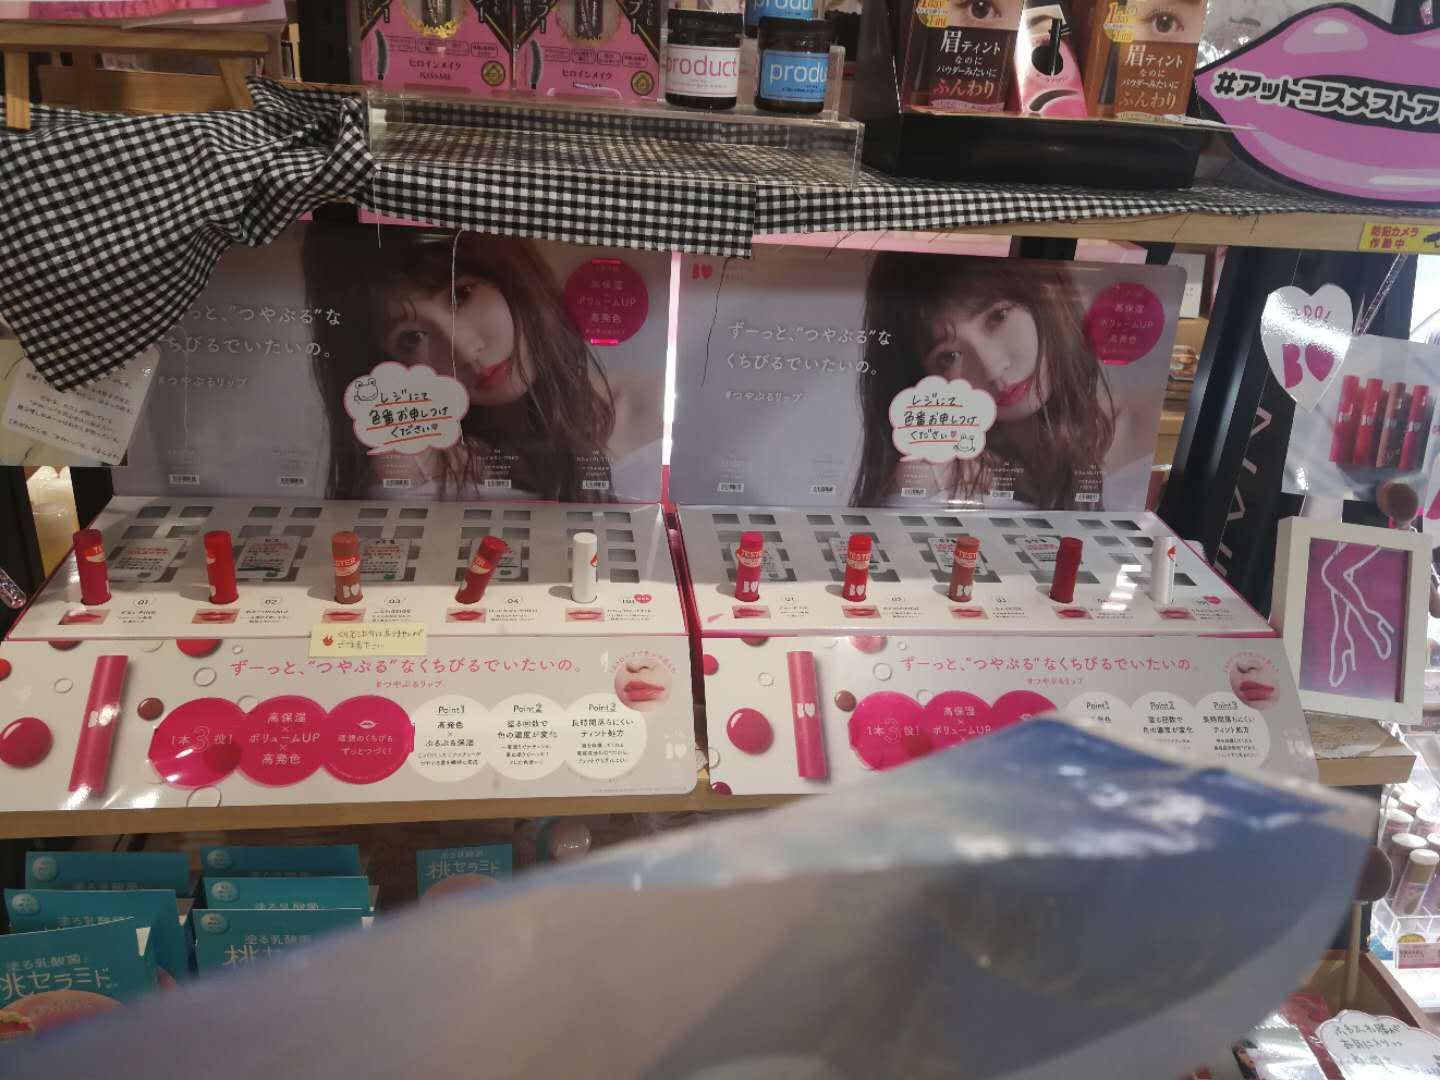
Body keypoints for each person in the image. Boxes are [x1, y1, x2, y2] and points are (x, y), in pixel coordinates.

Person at [305, 224, 661, 502]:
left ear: (515, 276)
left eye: (461, 294)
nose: (463, 349)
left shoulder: (651, 408)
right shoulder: (413, 460)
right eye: (411, 337)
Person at [851, 253, 1149, 510]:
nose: (992, 368)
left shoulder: (1144, 431)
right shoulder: (935, 472)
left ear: (1046, 301)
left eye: (998, 317)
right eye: (948, 356)